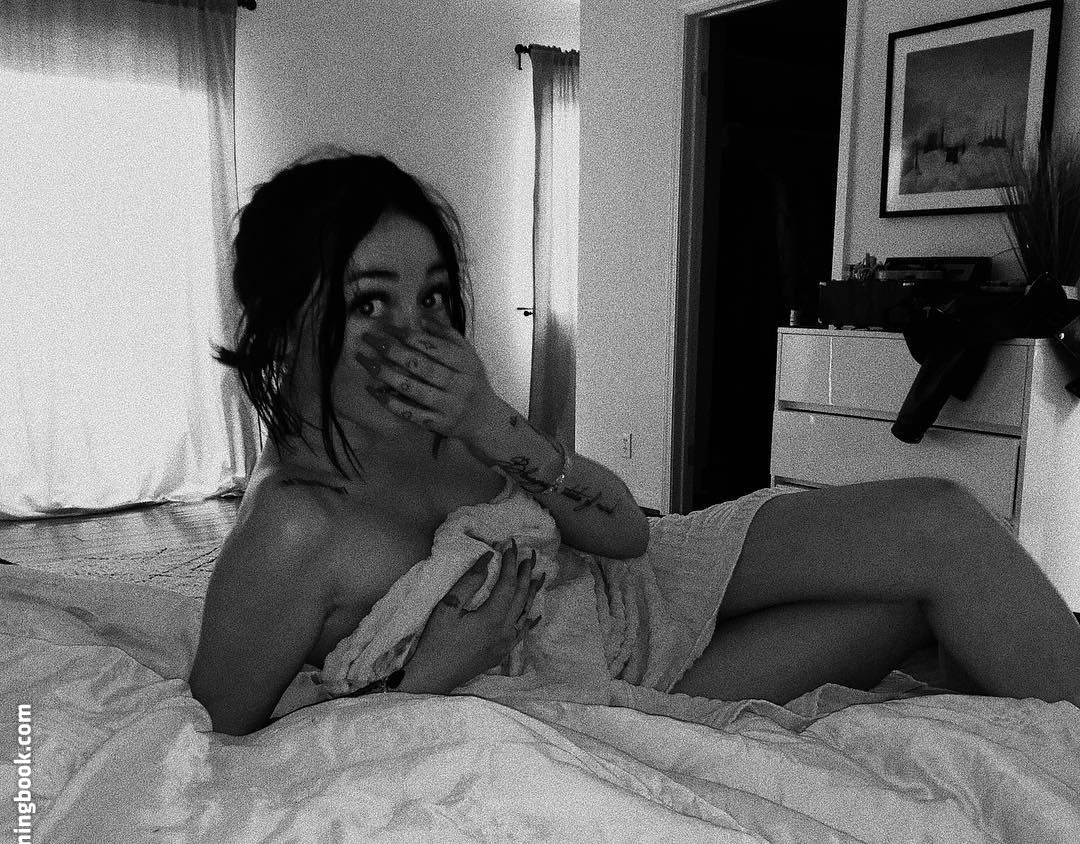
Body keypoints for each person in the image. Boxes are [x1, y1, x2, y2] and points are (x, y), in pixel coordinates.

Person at [189, 147, 1080, 737]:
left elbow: (626, 534)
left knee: (939, 519)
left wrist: (492, 423)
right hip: (614, 680)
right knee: (905, 611)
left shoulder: (441, 416)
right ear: (284, 318)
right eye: (369, 302)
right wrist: (432, 675)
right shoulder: (294, 527)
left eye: (431, 297)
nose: (415, 335)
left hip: (650, 573)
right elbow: (220, 747)